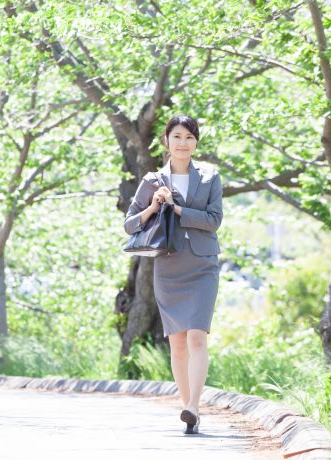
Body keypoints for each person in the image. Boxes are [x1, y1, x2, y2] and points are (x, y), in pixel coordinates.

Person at [123, 114, 223, 434]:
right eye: (177, 136)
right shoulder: (153, 180)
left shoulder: (209, 177)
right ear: (166, 140)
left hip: (202, 265)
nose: (183, 143)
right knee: (177, 343)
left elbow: (213, 220)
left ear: (196, 142)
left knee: (196, 335)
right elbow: (129, 224)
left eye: (189, 137)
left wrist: (178, 209)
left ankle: (194, 405)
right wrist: (154, 206)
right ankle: (187, 408)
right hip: (168, 267)